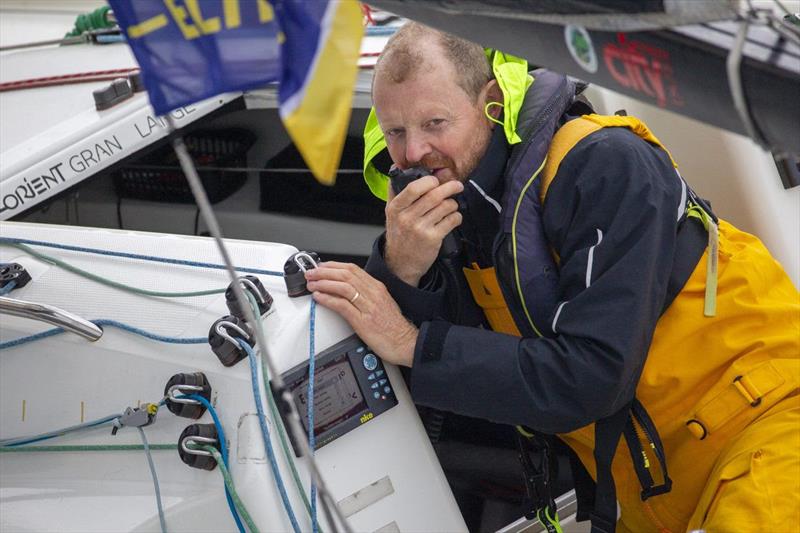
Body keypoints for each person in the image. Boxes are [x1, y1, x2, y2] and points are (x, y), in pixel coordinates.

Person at [304, 22, 800, 533]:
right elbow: (447, 389)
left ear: (492, 103)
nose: (412, 155)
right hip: (653, 489)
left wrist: (411, 340)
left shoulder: (605, 165)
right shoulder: (454, 215)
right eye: (395, 132)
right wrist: (402, 269)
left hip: (766, 436)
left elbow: (593, 376)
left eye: (434, 122)